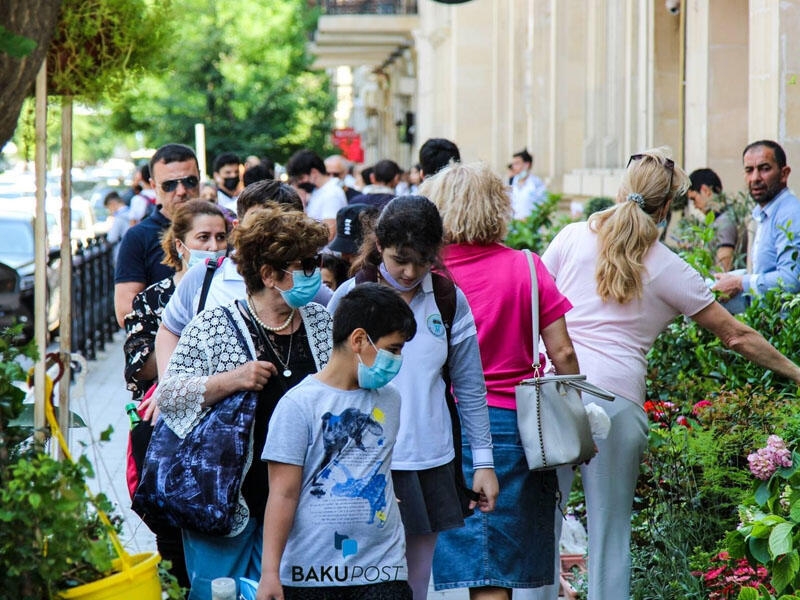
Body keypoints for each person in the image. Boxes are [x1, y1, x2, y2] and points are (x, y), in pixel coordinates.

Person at [536, 148, 800, 600]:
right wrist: (796, 372)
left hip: (556, 391)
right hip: (617, 402)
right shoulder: (668, 267)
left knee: (540, 527)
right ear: (665, 209)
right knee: (610, 533)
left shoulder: (572, 236)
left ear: (621, 190)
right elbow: (736, 335)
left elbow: (533, 302)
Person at [419, 162, 579, 599]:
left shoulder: (429, 275)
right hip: (517, 427)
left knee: (461, 558)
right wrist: (577, 415)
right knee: (497, 567)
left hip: (446, 424)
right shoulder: (526, 267)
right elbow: (562, 351)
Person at [155, 205, 332, 600]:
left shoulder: (321, 322)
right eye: (304, 264)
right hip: (225, 501)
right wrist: (230, 380)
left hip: (303, 507)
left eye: (315, 261)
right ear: (268, 275)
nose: (314, 272)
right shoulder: (214, 324)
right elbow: (168, 396)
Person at [328, 195, 499, 600]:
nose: (409, 271)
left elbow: (470, 387)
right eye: (398, 258)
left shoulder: (447, 299)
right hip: (362, 468)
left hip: (428, 460)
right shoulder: (350, 298)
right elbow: (325, 387)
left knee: (414, 580)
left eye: (422, 260)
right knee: (360, 575)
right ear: (378, 245)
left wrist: (485, 464)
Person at [256, 283, 418, 600]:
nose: (398, 360)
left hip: (382, 570)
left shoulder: (390, 400)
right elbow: (283, 494)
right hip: (311, 576)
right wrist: (270, 573)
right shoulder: (299, 405)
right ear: (358, 339)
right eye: (393, 349)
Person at [122, 199, 229, 589]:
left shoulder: (233, 293)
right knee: (170, 533)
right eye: (203, 237)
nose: (214, 246)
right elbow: (138, 368)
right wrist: (180, 317)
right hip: (163, 424)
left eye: (221, 237)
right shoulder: (153, 298)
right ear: (180, 244)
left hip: (218, 422)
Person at [153, 180, 333, 381]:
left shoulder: (305, 285)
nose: (274, 234)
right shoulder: (208, 277)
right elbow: (170, 329)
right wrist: (167, 382)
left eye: (287, 224)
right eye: (261, 224)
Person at [114, 143, 200, 327]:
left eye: (189, 181)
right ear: (153, 186)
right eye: (169, 185)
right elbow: (125, 312)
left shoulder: (222, 227)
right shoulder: (138, 237)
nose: (181, 191)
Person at [713, 140, 800, 313]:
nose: (755, 178)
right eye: (749, 170)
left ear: (784, 173)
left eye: (764, 168)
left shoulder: (790, 214)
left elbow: (791, 280)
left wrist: (739, 283)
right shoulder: (767, 212)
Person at [286, 149, 347, 241]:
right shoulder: (319, 190)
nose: (299, 182)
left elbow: (329, 233)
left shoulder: (331, 193)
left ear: (314, 172)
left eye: (301, 178)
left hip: (325, 253)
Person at [687, 168, 741, 271]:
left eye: (694, 199)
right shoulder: (721, 220)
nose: (694, 206)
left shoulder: (725, 221)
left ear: (705, 190)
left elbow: (723, 268)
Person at [509, 148, 547, 220]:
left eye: (517, 163)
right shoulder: (512, 182)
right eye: (513, 164)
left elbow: (544, 205)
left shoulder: (536, 183)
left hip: (531, 227)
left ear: (527, 164)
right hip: (514, 227)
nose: (514, 167)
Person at [103, 191, 130, 262]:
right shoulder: (132, 212)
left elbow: (112, 238)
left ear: (112, 203)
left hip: (122, 253)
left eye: (108, 208)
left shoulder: (119, 217)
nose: (110, 211)